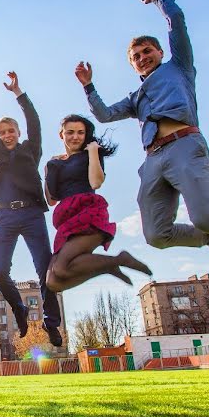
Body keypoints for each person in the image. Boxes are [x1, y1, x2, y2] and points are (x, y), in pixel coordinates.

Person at [76, 0, 209, 266]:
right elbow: (105, 114)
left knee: (207, 217)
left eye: (147, 52)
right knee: (156, 235)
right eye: (136, 57)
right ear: (132, 65)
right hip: (153, 160)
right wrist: (88, 87)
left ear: (159, 52)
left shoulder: (179, 68)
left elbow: (177, 24)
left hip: (184, 146)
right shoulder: (136, 98)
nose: (143, 58)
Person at [0, 71, 63, 347]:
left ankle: (51, 322)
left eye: (12, 131)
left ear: (18, 133)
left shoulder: (31, 150)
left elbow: (35, 122)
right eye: (3, 132)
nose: (8, 135)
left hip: (32, 214)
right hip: (5, 215)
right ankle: (20, 310)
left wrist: (20, 94)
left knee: (45, 270)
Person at [44, 115, 151, 291]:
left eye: (80, 132)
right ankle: (107, 267)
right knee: (53, 282)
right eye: (70, 132)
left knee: (61, 268)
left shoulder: (90, 153)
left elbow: (96, 182)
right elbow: (51, 200)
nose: (75, 137)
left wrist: (93, 151)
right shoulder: (55, 163)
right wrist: (48, 170)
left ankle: (119, 259)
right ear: (61, 135)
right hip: (66, 221)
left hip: (88, 214)